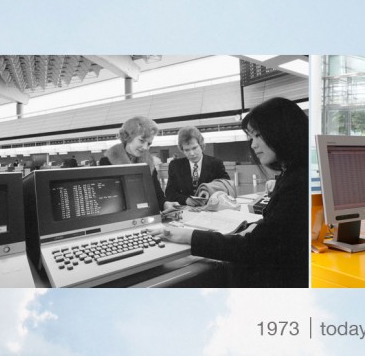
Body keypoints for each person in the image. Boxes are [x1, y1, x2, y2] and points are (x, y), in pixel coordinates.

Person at [162, 97, 308, 287]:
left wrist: (187, 236)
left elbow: (255, 248)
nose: (253, 145)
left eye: (258, 136)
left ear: (281, 132)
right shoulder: (294, 174)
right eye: (251, 138)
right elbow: (278, 230)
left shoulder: (296, 182)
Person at [99, 116, 180, 211]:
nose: (145, 147)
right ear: (127, 137)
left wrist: (165, 204)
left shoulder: (149, 164)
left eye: (149, 144)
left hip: (143, 215)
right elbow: (104, 200)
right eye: (141, 141)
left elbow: (157, 195)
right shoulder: (107, 162)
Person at [165, 126, 229, 206]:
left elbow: (226, 186)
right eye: (187, 150)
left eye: (194, 148)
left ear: (201, 145)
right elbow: (169, 193)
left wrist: (209, 191)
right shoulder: (175, 166)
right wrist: (186, 200)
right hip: (186, 211)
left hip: (210, 209)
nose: (191, 153)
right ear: (182, 150)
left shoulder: (216, 164)